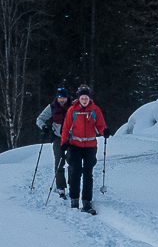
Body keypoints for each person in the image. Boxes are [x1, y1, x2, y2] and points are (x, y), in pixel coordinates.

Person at [61, 85, 106, 214]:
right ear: (79, 98)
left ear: (89, 98)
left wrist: (105, 132)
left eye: (86, 98)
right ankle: (74, 200)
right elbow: (66, 127)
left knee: (88, 174)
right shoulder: (72, 111)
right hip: (75, 146)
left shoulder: (95, 110)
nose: (84, 100)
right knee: (75, 172)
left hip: (90, 146)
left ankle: (86, 201)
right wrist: (64, 142)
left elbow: (100, 125)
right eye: (82, 98)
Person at [34, 86, 73, 193]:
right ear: (57, 97)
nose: (62, 100)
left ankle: (72, 183)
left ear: (67, 97)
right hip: (58, 137)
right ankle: (61, 187)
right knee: (59, 161)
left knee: (72, 160)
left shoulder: (73, 106)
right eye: (60, 97)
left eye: (64, 98)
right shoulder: (52, 106)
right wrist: (44, 126)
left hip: (71, 138)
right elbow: (40, 119)